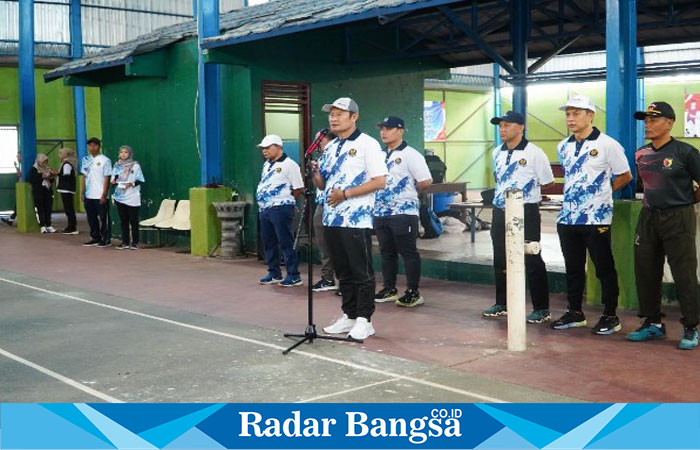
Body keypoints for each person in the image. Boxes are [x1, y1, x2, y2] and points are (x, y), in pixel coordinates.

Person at [552, 96, 632, 334]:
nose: (570, 118)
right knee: (573, 267)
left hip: (597, 218)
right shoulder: (563, 146)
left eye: (576, 113)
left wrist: (601, 194)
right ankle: (575, 312)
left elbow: (625, 176)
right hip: (568, 218)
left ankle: (610, 315)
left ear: (590, 115)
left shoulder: (609, 145)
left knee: (603, 268)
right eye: (568, 114)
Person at [312, 97, 388, 340]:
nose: (333, 118)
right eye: (331, 114)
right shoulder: (331, 146)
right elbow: (323, 184)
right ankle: (349, 315)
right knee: (342, 271)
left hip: (356, 220)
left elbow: (380, 181)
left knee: (360, 271)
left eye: (339, 114)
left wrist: (345, 194)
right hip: (332, 219)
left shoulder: (369, 144)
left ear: (354, 117)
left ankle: (365, 320)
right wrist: (314, 172)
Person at [628, 101, 700, 350]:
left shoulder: (685, 152)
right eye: (645, 120)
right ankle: (652, 323)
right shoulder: (640, 154)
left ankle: (690, 327)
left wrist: (686, 201)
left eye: (654, 119)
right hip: (648, 217)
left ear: (669, 123)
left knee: (684, 273)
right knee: (645, 270)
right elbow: (643, 186)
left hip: (678, 217)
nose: (648, 124)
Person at [481, 111, 554, 323]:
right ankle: (503, 303)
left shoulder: (534, 153)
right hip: (500, 210)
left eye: (507, 125)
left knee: (531, 258)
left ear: (521, 127)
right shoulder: (497, 152)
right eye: (500, 126)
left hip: (526, 211)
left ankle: (542, 308)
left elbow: (547, 182)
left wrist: (527, 192)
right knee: (500, 258)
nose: (502, 129)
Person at [373, 116, 433, 307]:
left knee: (408, 252)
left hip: (403, 212)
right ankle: (389, 288)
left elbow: (425, 181)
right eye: (382, 128)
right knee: (386, 252)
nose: (383, 132)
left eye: (388, 128)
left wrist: (407, 193)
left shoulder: (411, 154)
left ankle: (413, 292)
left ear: (400, 131)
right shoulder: (379, 155)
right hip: (381, 211)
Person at [256, 134, 304, 287]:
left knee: (285, 242)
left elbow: (298, 187)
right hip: (265, 208)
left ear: (278, 147)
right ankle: (274, 272)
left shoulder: (290, 165)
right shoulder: (267, 165)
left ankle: (294, 275)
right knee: (268, 242)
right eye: (263, 148)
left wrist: (287, 201)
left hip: (281, 208)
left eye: (268, 147)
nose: (265, 151)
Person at [311, 131, 339, 292]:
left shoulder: (338, 157)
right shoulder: (321, 159)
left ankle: (344, 281)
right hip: (321, 206)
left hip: (337, 205)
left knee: (340, 245)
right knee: (323, 245)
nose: (318, 143)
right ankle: (327, 278)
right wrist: (314, 171)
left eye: (321, 140)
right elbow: (320, 184)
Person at [111, 145, 145, 250]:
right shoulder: (116, 165)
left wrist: (131, 184)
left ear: (129, 154)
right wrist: (114, 181)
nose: (123, 154)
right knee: (123, 220)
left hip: (132, 196)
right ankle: (125, 242)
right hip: (119, 196)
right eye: (121, 152)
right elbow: (114, 178)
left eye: (125, 152)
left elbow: (140, 179)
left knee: (133, 220)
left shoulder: (135, 166)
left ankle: (135, 242)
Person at [81, 137, 112, 247]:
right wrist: (82, 192)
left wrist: (104, 194)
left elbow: (107, 177)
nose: (92, 147)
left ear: (99, 146)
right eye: (90, 145)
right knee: (91, 217)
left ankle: (105, 238)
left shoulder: (105, 160)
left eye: (95, 145)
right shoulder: (85, 160)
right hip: (89, 195)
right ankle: (95, 237)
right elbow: (84, 177)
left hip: (100, 195)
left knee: (103, 218)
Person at [28, 153, 57, 233]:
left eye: (46, 162)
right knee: (40, 209)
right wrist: (42, 177)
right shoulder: (34, 169)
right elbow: (31, 179)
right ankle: (42, 226)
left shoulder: (48, 169)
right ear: (39, 161)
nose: (45, 163)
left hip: (47, 191)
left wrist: (51, 177)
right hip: (38, 191)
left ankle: (49, 225)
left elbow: (52, 180)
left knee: (48, 208)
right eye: (43, 162)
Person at [57, 148, 78, 234]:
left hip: (66, 189)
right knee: (69, 208)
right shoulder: (67, 163)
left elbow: (66, 175)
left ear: (65, 155)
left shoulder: (66, 164)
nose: (59, 155)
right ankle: (71, 226)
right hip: (67, 189)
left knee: (69, 209)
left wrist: (56, 173)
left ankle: (72, 227)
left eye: (61, 153)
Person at [2, 152, 21, 226]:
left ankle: (11, 219)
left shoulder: (24, 165)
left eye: (18, 156)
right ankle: (11, 219)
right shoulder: (22, 165)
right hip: (20, 187)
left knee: (17, 206)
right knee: (17, 206)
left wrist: (16, 167)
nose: (17, 158)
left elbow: (19, 174)